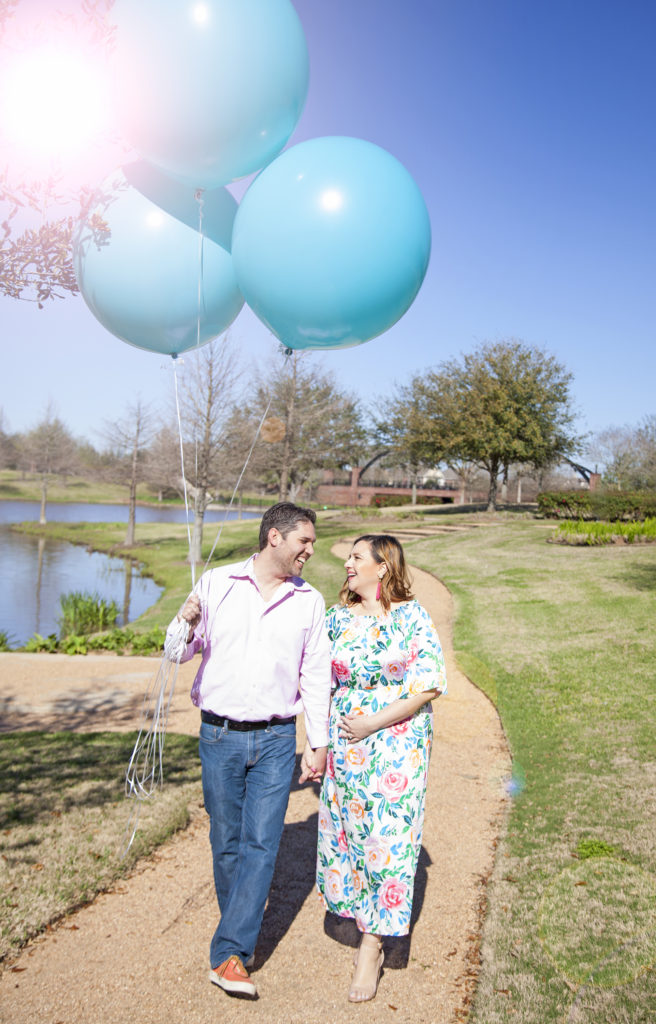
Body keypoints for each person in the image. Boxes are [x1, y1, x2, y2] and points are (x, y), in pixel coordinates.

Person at [165, 502, 331, 999]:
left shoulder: (310, 601)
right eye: (304, 541)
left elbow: (316, 675)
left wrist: (316, 742)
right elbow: (176, 652)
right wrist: (185, 618)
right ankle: (237, 937)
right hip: (219, 735)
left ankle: (229, 953)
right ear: (274, 538)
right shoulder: (216, 584)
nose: (310, 550)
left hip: (278, 739)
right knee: (227, 841)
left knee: (262, 842)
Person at [316, 534, 447, 1003]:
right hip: (345, 749)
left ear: (382, 567)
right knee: (349, 833)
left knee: (388, 841)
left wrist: (372, 722)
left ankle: (372, 949)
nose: (347, 564)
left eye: (355, 557)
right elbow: (311, 679)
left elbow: (428, 684)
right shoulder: (335, 619)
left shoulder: (410, 617)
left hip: (397, 745)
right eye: (348, 557)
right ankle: (358, 914)